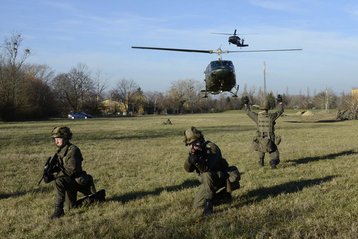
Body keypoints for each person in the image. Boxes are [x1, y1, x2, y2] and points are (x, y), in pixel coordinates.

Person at [47, 126, 97, 219]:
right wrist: (49, 174)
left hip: (78, 180)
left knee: (58, 181)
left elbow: (71, 170)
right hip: (69, 181)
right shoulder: (60, 151)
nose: (56, 141)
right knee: (71, 207)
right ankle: (94, 199)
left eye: (59, 138)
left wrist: (54, 176)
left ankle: (58, 211)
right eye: (55, 139)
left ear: (66, 138)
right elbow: (60, 168)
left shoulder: (73, 150)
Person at [183, 126, 232, 216]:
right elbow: (187, 169)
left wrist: (198, 160)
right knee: (197, 206)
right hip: (207, 182)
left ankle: (209, 205)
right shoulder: (194, 151)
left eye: (194, 143)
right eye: (189, 144)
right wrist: (190, 159)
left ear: (200, 139)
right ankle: (223, 197)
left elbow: (207, 168)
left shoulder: (211, 147)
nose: (192, 146)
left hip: (220, 176)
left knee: (206, 174)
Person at [243, 95, 284, 169]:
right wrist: (280, 102)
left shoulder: (257, 117)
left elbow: (247, 111)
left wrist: (246, 103)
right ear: (268, 107)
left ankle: (261, 161)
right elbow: (280, 111)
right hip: (270, 139)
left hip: (260, 138)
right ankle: (273, 162)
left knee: (260, 146)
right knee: (274, 152)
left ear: (261, 107)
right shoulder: (272, 116)